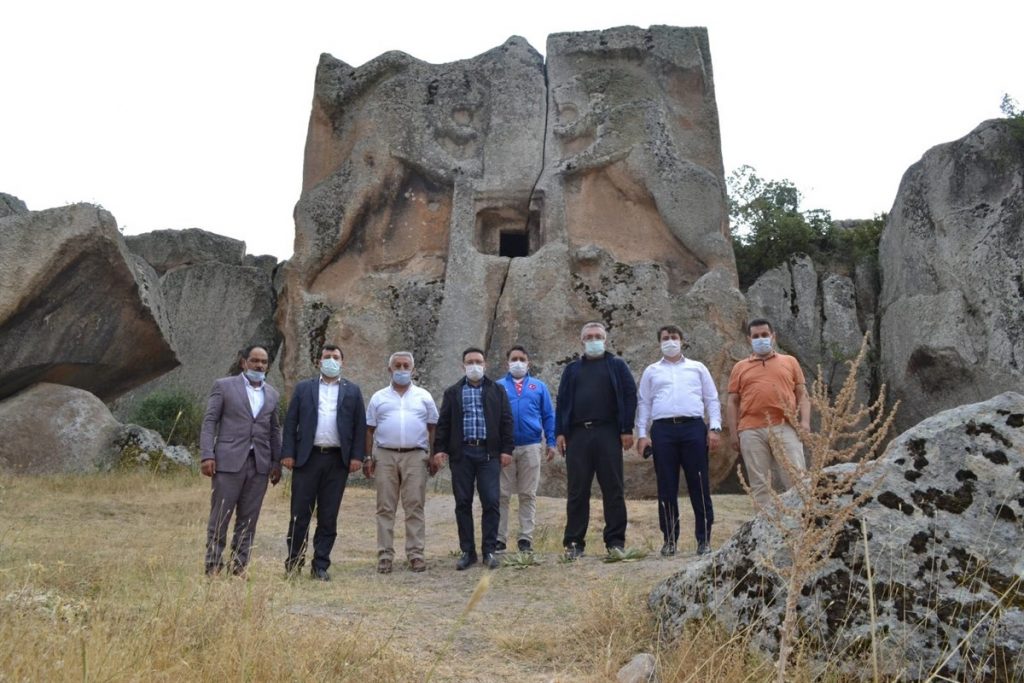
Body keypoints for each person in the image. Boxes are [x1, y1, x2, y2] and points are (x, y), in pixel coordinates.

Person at [281, 344, 367, 581]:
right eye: (327, 357)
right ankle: (293, 563)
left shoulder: (352, 391)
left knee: (328, 516)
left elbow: (359, 426)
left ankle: (320, 565)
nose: (331, 360)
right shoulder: (303, 388)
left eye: (336, 357)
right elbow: (290, 423)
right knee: (300, 515)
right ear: (319, 361)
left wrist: (357, 456)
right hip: (307, 459)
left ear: (342, 362)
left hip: (337, 461)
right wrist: (287, 453)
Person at [635, 325, 721, 556]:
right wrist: (642, 434)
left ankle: (704, 540)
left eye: (674, 337)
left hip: (693, 428)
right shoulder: (651, 371)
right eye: (665, 338)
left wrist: (714, 428)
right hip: (663, 430)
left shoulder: (697, 368)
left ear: (682, 340)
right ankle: (670, 540)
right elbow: (644, 403)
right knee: (666, 486)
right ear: (659, 342)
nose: (670, 341)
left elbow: (711, 399)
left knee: (699, 485)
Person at [555, 322, 637, 558]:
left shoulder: (617, 366)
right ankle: (573, 543)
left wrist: (626, 429)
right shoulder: (572, 369)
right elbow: (562, 401)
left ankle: (615, 542)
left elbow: (630, 396)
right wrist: (560, 432)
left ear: (605, 339)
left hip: (608, 433)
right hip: (578, 435)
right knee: (577, 490)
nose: (593, 340)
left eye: (598, 336)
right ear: (581, 340)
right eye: (589, 336)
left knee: (613, 488)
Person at [200, 344, 282, 577]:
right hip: (228, 462)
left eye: (264, 362)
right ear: (243, 362)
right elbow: (209, 422)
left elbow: (274, 430)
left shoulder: (272, 394)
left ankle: (239, 565)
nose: (259, 365)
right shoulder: (224, 387)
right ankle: (213, 564)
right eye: (255, 360)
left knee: (249, 517)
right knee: (221, 515)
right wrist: (207, 454)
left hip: (259, 465)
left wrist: (276, 463)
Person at [434, 347, 514, 570]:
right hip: (462, 454)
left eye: (478, 361)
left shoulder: (497, 390)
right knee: (462, 503)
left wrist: (507, 450)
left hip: (489, 455)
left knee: (491, 501)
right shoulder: (453, 392)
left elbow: (506, 421)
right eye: (470, 362)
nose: (474, 366)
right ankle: (467, 552)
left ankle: (489, 550)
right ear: (463, 366)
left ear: (485, 364)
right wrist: (439, 449)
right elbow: (444, 424)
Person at [363, 351, 439, 574]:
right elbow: (369, 429)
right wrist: (368, 457)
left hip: (416, 455)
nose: (402, 370)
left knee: (414, 505)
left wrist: (433, 454)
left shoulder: (424, 396)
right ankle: (385, 555)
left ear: (413, 370)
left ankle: (415, 554)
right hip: (385, 455)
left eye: (406, 366)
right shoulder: (378, 397)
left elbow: (433, 426)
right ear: (390, 369)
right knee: (385, 506)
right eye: (398, 366)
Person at [726, 318, 811, 508]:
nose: (760, 339)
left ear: (773, 336)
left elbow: (802, 394)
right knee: (759, 484)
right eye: (756, 336)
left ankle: (805, 526)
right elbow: (732, 402)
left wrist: (805, 422)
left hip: (785, 426)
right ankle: (764, 529)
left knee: (797, 478)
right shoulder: (740, 367)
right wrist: (733, 433)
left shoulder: (790, 361)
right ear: (749, 339)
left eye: (764, 335)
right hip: (750, 430)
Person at [496, 345, 557, 553]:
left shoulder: (538, 387)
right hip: (505, 447)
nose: (518, 362)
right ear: (507, 362)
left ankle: (525, 538)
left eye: (522, 358)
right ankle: (499, 538)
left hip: (531, 445)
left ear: (528, 362)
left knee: (528, 494)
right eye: (514, 359)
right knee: (502, 494)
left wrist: (551, 442)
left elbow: (548, 415)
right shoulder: (498, 387)